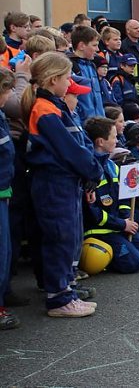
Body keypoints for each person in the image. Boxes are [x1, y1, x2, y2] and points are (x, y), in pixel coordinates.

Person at [22, 54, 102, 317]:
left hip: (65, 181)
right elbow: (70, 150)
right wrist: (93, 169)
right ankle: (59, 299)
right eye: (67, 78)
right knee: (60, 238)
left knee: (69, 237)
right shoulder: (45, 110)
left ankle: (67, 290)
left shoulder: (53, 106)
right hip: (53, 182)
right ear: (53, 79)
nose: (69, 84)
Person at [82, 117, 139, 274]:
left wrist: (126, 218)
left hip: (118, 226)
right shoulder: (89, 171)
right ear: (101, 142)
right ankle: (99, 257)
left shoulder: (112, 166)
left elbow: (124, 197)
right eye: (114, 137)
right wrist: (122, 224)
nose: (117, 141)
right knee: (135, 264)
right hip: (100, 231)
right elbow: (92, 213)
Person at [0, 68, 20, 329]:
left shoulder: (2, 115)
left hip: (5, 189)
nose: (11, 95)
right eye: (8, 89)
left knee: (6, 251)